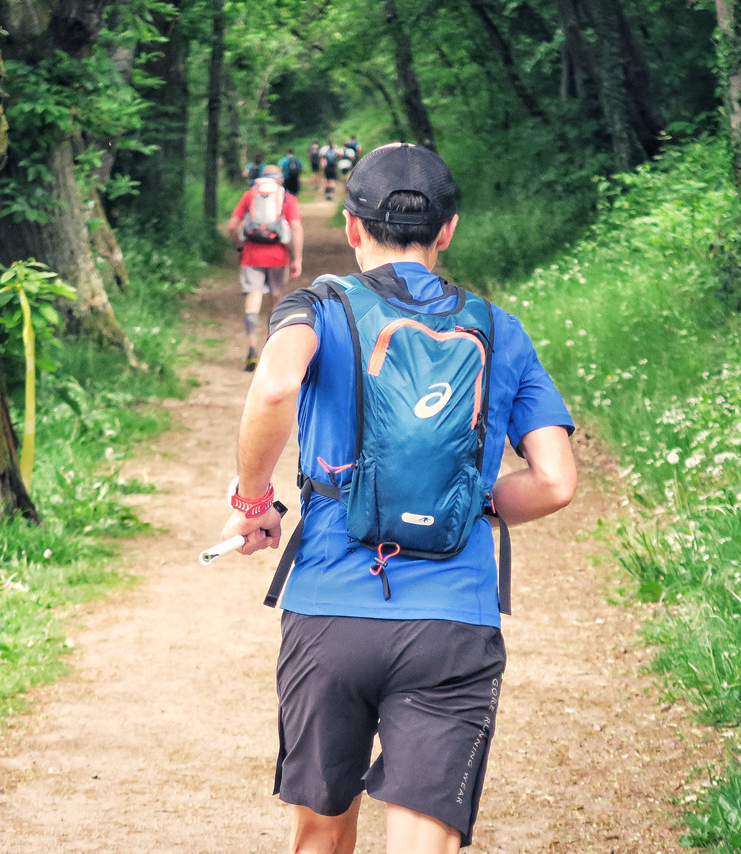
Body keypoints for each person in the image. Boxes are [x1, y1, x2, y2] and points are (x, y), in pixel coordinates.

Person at [219, 143, 577, 852]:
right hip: (452, 621)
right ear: (448, 229)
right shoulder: (500, 329)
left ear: (352, 227)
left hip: (329, 609)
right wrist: (467, 500)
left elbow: (275, 386)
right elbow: (556, 481)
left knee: (320, 836)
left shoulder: (318, 306)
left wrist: (252, 503)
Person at [227, 163, 304, 371]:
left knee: (253, 302)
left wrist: (239, 247)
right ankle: (272, 352)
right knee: (276, 302)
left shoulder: (249, 196)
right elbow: (296, 227)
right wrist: (297, 258)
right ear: (281, 179)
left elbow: (232, 226)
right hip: (278, 258)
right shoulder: (287, 198)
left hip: (251, 256)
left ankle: (252, 348)